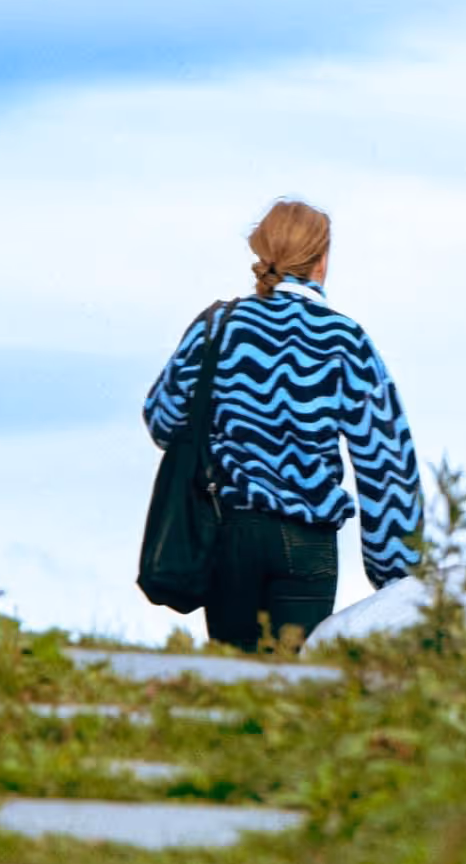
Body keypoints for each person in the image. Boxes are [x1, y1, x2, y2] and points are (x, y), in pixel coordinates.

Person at [144, 199, 423, 650]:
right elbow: (386, 459)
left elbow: (162, 419)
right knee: (294, 691)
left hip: (228, 532)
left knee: (234, 683)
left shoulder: (218, 327)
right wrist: (396, 569)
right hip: (306, 539)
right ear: (322, 259)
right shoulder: (345, 339)